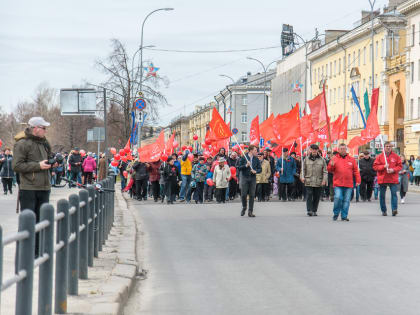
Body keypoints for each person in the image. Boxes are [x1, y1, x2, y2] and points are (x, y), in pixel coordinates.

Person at [12, 116, 53, 256]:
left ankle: (38, 251)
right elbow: (16, 166)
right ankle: (25, 253)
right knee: (28, 222)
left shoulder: (44, 143)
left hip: (44, 187)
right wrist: (38, 166)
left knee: (42, 222)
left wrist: (53, 163)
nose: (45, 131)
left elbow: (47, 159)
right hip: (29, 188)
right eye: (43, 128)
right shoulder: (22, 143)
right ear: (35, 128)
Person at [327, 143, 361, 221]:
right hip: (338, 183)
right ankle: (336, 213)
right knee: (338, 197)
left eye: (344, 148)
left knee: (346, 201)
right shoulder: (334, 159)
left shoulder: (351, 159)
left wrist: (358, 180)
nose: (343, 150)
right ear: (338, 150)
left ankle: (344, 215)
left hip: (348, 184)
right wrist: (331, 165)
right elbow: (329, 170)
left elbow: (356, 171)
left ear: (346, 149)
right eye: (341, 149)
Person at [373, 142, 402, 216]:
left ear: (391, 147)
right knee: (382, 196)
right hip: (383, 178)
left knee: (394, 194)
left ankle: (394, 209)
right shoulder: (380, 156)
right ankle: (384, 210)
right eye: (387, 146)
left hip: (392, 178)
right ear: (384, 147)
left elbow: (399, 166)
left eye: (390, 146)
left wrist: (393, 170)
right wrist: (383, 166)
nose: (388, 147)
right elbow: (375, 167)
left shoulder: (396, 156)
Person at [301, 144, 327, 216]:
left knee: (316, 196)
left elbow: (325, 171)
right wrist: (302, 177)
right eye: (313, 149)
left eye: (316, 149)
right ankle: (309, 210)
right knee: (309, 194)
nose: (314, 151)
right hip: (308, 180)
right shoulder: (306, 159)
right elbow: (303, 169)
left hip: (318, 181)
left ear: (318, 150)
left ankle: (314, 210)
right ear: (310, 150)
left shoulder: (322, 160)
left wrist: (324, 180)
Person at [237, 145, 262, 217]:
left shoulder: (256, 159)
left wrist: (255, 171)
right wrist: (246, 165)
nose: (256, 152)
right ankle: (244, 207)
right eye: (255, 150)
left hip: (252, 178)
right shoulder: (244, 157)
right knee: (244, 194)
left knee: (252, 195)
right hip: (245, 177)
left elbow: (260, 169)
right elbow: (239, 167)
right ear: (251, 150)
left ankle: (250, 211)